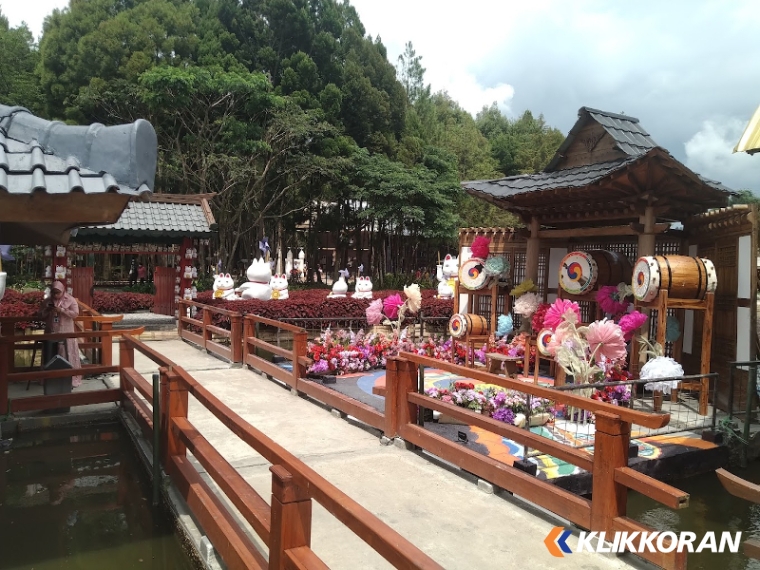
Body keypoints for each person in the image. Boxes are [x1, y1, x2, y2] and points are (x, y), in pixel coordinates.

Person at [39, 281, 82, 387]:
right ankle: (49, 378)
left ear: (63, 291)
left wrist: (62, 310)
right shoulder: (48, 301)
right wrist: (48, 310)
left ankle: (69, 378)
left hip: (65, 331)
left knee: (65, 353)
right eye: (53, 293)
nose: (55, 295)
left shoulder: (70, 300)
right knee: (50, 354)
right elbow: (40, 315)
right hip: (51, 331)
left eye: (58, 293)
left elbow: (75, 314)